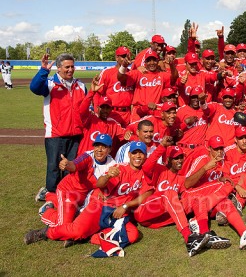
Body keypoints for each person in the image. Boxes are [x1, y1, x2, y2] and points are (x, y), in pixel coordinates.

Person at [24, 141, 152, 251]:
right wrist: (108, 176)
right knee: (76, 230)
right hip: (102, 207)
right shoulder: (119, 168)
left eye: (141, 153)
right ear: (129, 155)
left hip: (119, 213)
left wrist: (126, 205)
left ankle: (91, 237)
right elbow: (100, 184)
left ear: (146, 156)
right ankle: (46, 232)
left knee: (133, 235)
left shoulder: (145, 173)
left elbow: (148, 192)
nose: (138, 156)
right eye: (134, 153)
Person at [181, 135, 246, 250]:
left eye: (221, 148)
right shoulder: (202, 159)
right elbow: (186, 185)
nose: (219, 151)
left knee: (226, 203)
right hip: (192, 198)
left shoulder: (221, 162)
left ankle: (244, 233)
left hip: (208, 201)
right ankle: (197, 220)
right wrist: (205, 168)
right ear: (209, 148)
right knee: (225, 185)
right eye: (216, 149)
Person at [134, 138, 211, 257]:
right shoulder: (159, 170)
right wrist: (162, 146)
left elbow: (188, 194)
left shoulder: (180, 179)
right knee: (169, 193)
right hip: (145, 211)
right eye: (176, 158)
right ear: (168, 160)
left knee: (196, 197)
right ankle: (189, 238)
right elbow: (147, 166)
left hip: (160, 218)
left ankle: (206, 233)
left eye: (181, 157)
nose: (180, 160)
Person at [30, 53, 87, 201]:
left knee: (71, 167)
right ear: (59, 68)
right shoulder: (49, 84)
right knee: (54, 167)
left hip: (76, 135)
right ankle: (51, 196)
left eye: (72, 66)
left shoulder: (80, 85)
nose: (70, 69)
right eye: (67, 67)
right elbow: (34, 87)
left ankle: (67, 194)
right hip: (55, 134)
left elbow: (87, 108)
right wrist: (43, 70)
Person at [40, 134, 116, 230]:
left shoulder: (112, 163)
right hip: (68, 191)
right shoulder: (88, 156)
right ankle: (47, 211)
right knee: (64, 225)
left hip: (84, 195)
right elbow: (74, 164)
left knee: (79, 219)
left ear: (110, 149)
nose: (99, 150)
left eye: (104, 147)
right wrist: (67, 164)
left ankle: (50, 198)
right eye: (97, 146)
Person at [117, 49, 178, 122]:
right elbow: (121, 78)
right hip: (138, 111)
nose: (152, 63)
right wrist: (123, 66)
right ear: (145, 62)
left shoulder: (162, 75)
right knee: (137, 132)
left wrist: (172, 65)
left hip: (155, 110)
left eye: (154, 60)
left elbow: (174, 77)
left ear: (158, 61)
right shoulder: (138, 73)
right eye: (149, 60)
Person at [95, 46, 135, 126]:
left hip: (128, 113)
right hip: (111, 112)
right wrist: (97, 111)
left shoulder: (132, 73)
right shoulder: (107, 73)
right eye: (123, 56)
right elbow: (98, 94)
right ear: (117, 58)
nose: (126, 58)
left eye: (128, 56)